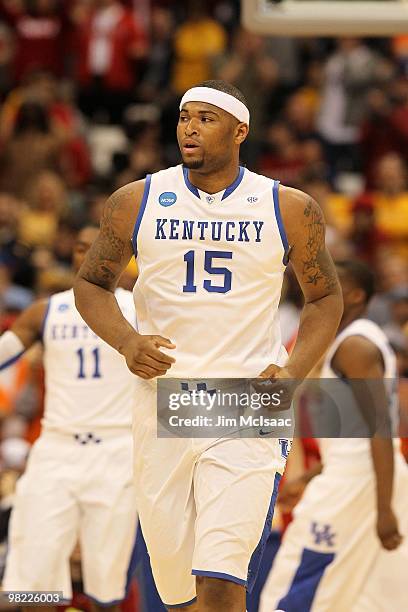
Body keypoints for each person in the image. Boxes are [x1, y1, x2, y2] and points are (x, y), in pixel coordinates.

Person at [73, 80, 343, 611]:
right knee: (177, 592)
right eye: (183, 117)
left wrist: (293, 372)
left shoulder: (287, 206)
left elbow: (325, 298)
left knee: (222, 581)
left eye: (205, 118)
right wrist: (127, 341)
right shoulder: (136, 199)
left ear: (240, 129)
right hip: (163, 401)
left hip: (245, 400)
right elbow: (90, 284)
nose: (189, 127)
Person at [1, 225, 138, 609]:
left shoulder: (142, 308)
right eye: (81, 247)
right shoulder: (46, 310)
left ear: (121, 257)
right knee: (33, 569)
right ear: (72, 255)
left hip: (117, 448)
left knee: (106, 578)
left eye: (99, 247)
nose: (89, 254)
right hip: (57, 447)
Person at [260, 259, 408, 612]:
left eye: (331, 280)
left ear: (355, 294)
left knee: (289, 589)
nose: (316, 284)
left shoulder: (355, 346)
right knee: (365, 599)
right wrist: (311, 476)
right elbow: (354, 435)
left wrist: (384, 508)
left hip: (359, 483)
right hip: (360, 476)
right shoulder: (348, 339)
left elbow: (381, 430)